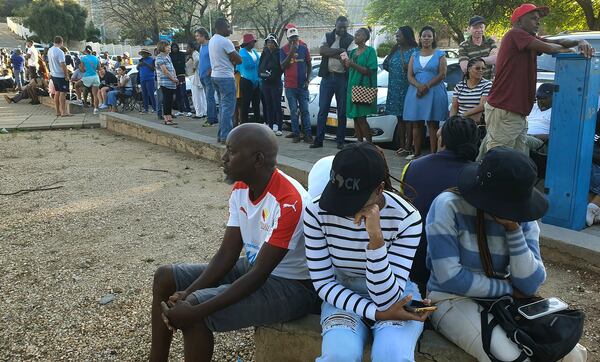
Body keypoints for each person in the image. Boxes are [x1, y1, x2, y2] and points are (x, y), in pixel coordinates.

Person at [150, 123, 320, 362]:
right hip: (256, 268)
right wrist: (188, 291)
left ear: (257, 159)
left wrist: (195, 308)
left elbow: (259, 274)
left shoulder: (289, 201)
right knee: (166, 276)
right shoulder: (242, 186)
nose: (223, 158)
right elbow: (227, 255)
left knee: (195, 312)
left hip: (293, 286)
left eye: (231, 151)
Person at [426, 146, 587, 361]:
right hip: (452, 298)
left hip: (503, 300)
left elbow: (530, 284)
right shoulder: (448, 206)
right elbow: (449, 277)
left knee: (572, 355)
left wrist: (513, 230)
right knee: (514, 358)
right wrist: (508, 289)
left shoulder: (522, 214)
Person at [303, 142, 430, 361]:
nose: (343, 208)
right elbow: (323, 283)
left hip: (396, 292)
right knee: (338, 356)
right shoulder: (316, 210)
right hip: (341, 291)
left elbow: (387, 298)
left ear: (380, 189)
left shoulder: (406, 218)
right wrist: (376, 314)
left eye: (353, 200)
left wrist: (376, 240)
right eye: (338, 196)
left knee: (392, 356)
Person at [478, 3, 594, 158]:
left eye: (539, 19)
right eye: (533, 18)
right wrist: (573, 50)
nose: (538, 21)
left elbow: (557, 42)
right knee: (499, 160)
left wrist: (579, 42)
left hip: (515, 112)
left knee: (518, 161)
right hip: (505, 110)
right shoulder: (515, 34)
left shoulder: (529, 39)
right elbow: (551, 48)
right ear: (518, 22)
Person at [401, 115, 479, 296]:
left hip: (412, 266)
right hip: (459, 273)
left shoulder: (412, 167)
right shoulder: (479, 176)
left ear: (440, 138)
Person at [403, 26, 448, 160]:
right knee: (416, 123)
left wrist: (426, 86)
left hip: (433, 92)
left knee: (432, 124)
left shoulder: (440, 54)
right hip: (416, 92)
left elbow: (442, 74)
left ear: (433, 38)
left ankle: (433, 155)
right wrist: (419, 86)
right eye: (424, 36)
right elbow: (409, 75)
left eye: (429, 36)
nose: (426, 38)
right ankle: (416, 153)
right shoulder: (414, 55)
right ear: (420, 38)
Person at [311, 16, 356, 149]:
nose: (342, 29)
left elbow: (346, 60)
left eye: (344, 27)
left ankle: (340, 141)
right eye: (340, 26)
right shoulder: (327, 35)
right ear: (335, 25)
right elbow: (322, 51)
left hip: (342, 78)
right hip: (327, 77)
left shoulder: (350, 39)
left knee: (341, 111)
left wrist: (331, 53)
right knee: (323, 109)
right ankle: (319, 140)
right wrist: (340, 51)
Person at [383, 26, 419, 156]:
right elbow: (385, 64)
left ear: (407, 36)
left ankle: (409, 147)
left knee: (408, 118)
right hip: (394, 88)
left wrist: (408, 69)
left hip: (408, 87)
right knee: (399, 118)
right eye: (396, 35)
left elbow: (419, 68)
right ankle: (402, 146)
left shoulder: (415, 51)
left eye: (399, 35)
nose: (397, 38)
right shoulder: (395, 49)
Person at [209, 18, 242, 143]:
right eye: (228, 27)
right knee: (228, 108)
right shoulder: (225, 41)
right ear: (221, 28)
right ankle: (225, 137)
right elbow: (239, 60)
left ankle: (221, 135)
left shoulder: (212, 40)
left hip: (215, 75)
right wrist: (233, 57)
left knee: (223, 107)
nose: (230, 29)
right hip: (225, 77)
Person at [343, 28, 378, 143]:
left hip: (363, 89)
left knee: (362, 118)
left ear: (365, 37)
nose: (355, 36)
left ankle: (369, 145)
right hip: (352, 88)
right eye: (355, 34)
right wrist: (346, 63)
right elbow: (350, 70)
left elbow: (370, 71)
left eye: (358, 35)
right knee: (355, 119)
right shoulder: (352, 52)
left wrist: (352, 64)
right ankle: (359, 144)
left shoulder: (370, 51)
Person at [281, 25, 313, 143]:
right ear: (288, 39)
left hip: (302, 86)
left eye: (296, 37)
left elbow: (309, 65)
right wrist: (291, 52)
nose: (294, 40)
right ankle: (296, 134)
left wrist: (308, 79)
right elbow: (282, 66)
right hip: (290, 86)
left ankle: (308, 135)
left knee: (305, 111)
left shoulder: (304, 48)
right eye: (292, 38)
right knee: (293, 111)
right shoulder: (283, 50)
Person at [449, 57, 492, 124]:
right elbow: (454, 107)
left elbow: (482, 106)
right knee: (439, 133)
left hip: (475, 122)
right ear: (469, 69)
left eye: (483, 68)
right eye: (477, 68)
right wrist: (451, 121)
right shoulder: (460, 86)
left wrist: (464, 115)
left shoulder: (487, 85)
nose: (481, 70)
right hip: (459, 121)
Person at [259, 34, 283, 135]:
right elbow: (260, 66)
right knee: (268, 105)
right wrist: (262, 74)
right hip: (266, 83)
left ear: (275, 43)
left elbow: (280, 68)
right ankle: (270, 125)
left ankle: (279, 127)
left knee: (276, 105)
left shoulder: (279, 53)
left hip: (275, 83)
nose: (269, 44)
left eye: (271, 42)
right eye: (268, 42)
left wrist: (272, 75)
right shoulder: (265, 53)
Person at [195, 27, 218, 126]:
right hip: (202, 75)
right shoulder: (201, 46)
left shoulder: (210, 45)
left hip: (209, 76)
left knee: (209, 97)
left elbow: (216, 58)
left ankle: (210, 119)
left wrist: (211, 69)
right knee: (208, 97)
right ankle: (213, 117)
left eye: (198, 36)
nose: (196, 38)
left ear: (203, 36)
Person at [238, 34, 261, 124]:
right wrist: (256, 64)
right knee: (246, 103)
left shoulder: (254, 51)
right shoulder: (242, 53)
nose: (254, 43)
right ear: (248, 43)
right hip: (246, 80)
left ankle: (257, 122)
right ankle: (244, 122)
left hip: (256, 80)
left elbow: (259, 63)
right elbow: (247, 65)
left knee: (256, 103)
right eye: (252, 42)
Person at [155, 40, 179, 125]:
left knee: (170, 100)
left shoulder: (168, 57)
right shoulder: (159, 57)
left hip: (171, 82)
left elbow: (172, 68)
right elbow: (164, 71)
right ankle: (166, 118)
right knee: (166, 100)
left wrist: (175, 78)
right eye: (167, 46)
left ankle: (170, 117)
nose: (169, 47)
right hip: (165, 82)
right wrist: (173, 79)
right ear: (162, 47)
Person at [47, 36, 71, 117]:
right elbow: (63, 64)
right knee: (63, 93)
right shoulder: (60, 52)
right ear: (61, 42)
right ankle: (64, 111)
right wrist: (66, 75)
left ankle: (58, 111)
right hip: (60, 75)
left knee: (57, 92)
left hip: (53, 74)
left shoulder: (50, 50)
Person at [170, 43, 192, 117]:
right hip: (174, 76)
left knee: (183, 93)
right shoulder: (170, 55)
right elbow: (171, 65)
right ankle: (180, 110)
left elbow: (182, 63)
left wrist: (176, 63)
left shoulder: (181, 54)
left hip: (181, 75)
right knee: (177, 94)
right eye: (173, 47)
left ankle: (188, 110)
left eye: (175, 47)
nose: (174, 49)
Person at [186, 42, 206, 119]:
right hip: (196, 77)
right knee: (201, 95)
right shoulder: (195, 53)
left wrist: (194, 67)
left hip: (195, 77)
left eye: (188, 47)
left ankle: (199, 113)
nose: (187, 49)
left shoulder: (195, 53)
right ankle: (203, 112)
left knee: (196, 96)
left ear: (192, 48)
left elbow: (197, 60)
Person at [80, 45, 101, 115]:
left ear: (85, 51)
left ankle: (80, 101)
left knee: (76, 86)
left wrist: (85, 69)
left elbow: (82, 70)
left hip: (87, 77)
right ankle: (96, 109)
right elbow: (99, 68)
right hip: (95, 77)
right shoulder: (96, 58)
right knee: (95, 95)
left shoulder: (83, 58)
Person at [137, 49, 157, 114]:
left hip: (150, 78)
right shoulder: (141, 60)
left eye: (144, 53)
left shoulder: (152, 60)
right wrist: (139, 65)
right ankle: (146, 109)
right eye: (142, 54)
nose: (143, 55)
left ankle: (155, 108)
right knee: (144, 94)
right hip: (142, 78)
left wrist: (145, 64)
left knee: (151, 94)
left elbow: (153, 69)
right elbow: (137, 68)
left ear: (147, 54)